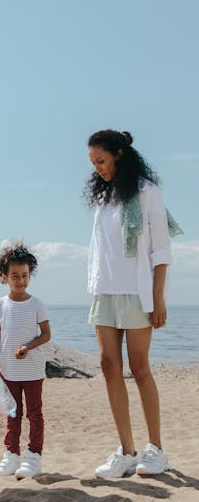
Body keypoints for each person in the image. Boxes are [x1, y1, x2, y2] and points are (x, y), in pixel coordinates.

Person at [86, 130, 182, 478]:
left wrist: (158, 298)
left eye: (102, 161)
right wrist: (94, 286)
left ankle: (157, 449)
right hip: (105, 291)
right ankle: (127, 451)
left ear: (120, 155)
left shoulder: (147, 192)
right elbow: (101, 250)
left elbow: (161, 250)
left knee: (139, 368)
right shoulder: (104, 197)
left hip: (138, 292)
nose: (98, 169)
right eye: (93, 163)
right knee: (109, 366)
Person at [0, 243, 51, 479]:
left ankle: (33, 457)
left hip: (33, 370)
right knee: (12, 414)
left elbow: (46, 334)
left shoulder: (36, 304)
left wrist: (28, 347)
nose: (20, 280)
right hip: (8, 370)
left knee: (35, 413)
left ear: (30, 276)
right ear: (4, 277)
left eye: (25, 276)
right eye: (15, 276)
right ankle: (11, 456)